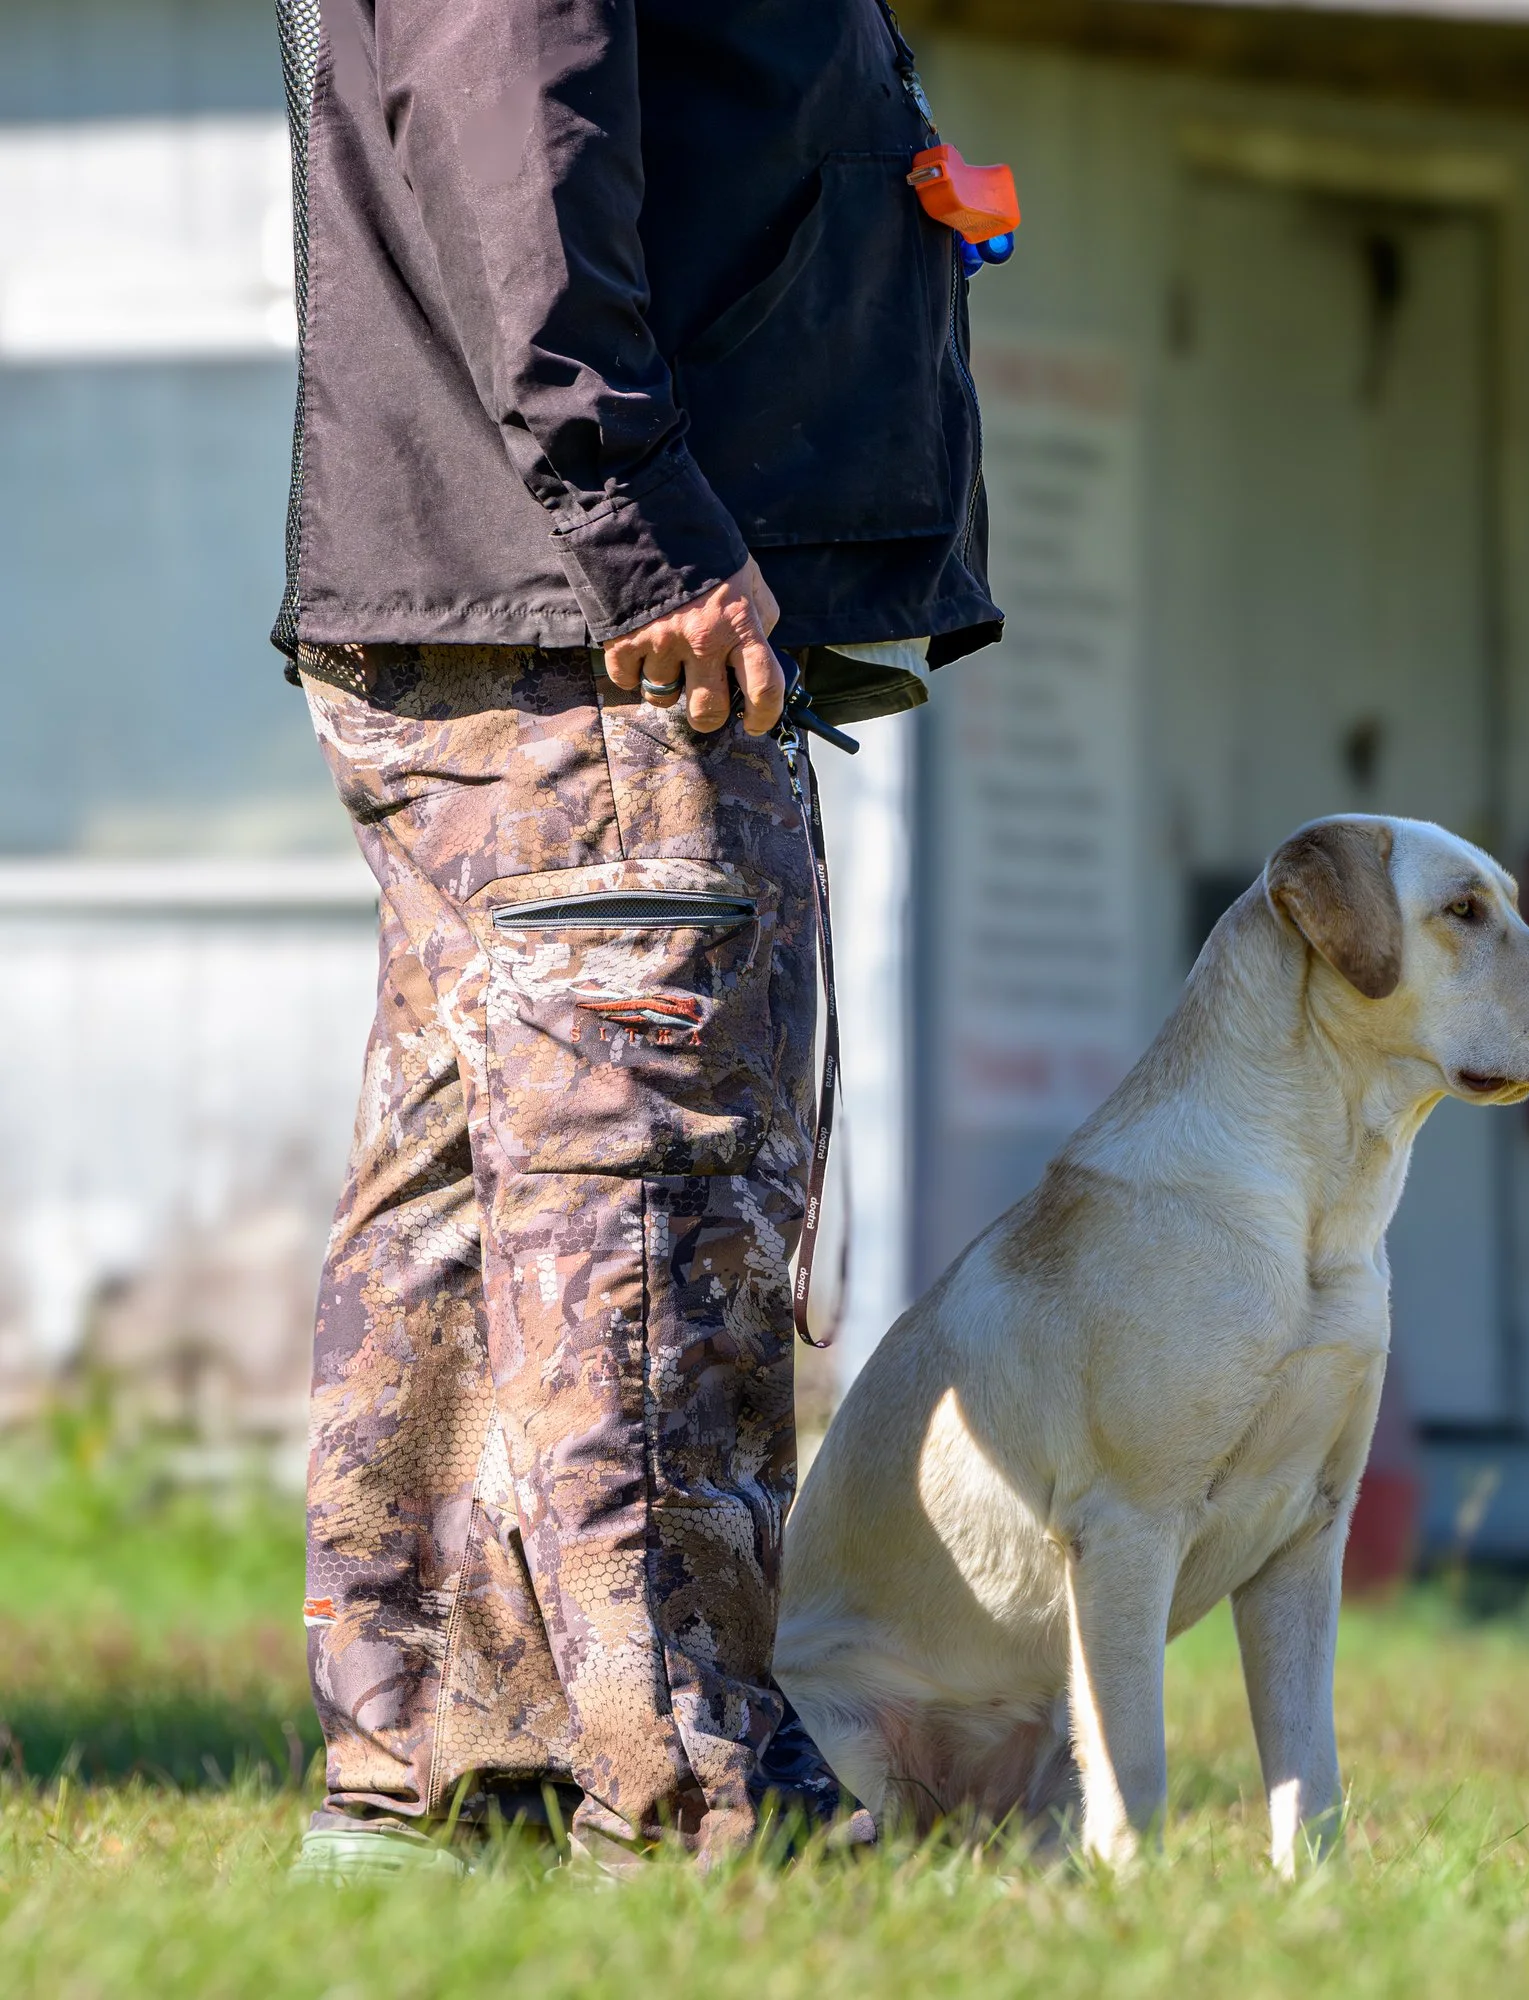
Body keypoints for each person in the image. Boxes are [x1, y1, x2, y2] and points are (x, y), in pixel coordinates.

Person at [278, 0, 997, 1874]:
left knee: (464, 1200)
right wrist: (644, 523)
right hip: (594, 623)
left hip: (512, 598)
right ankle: (693, 1798)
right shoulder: (620, 551)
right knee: (646, 1196)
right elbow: (518, 116)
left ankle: (434, 1786)